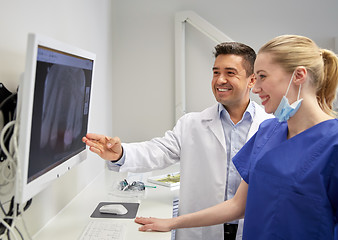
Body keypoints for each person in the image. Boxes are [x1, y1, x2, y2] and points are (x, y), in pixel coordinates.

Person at [134, 35, 338, 240]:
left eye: (262, 76)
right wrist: (172, 223)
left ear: (299, 76)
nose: (255, 88)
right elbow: (238, 205)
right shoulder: (268, 132)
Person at [82, 42, 273, 240]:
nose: (220, 80)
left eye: (230, 73)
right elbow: (158, 151)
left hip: (252, 229)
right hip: (200, 231)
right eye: (216, 72)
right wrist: (121, 153)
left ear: (252, 80)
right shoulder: (192, 124)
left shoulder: (272, 126)